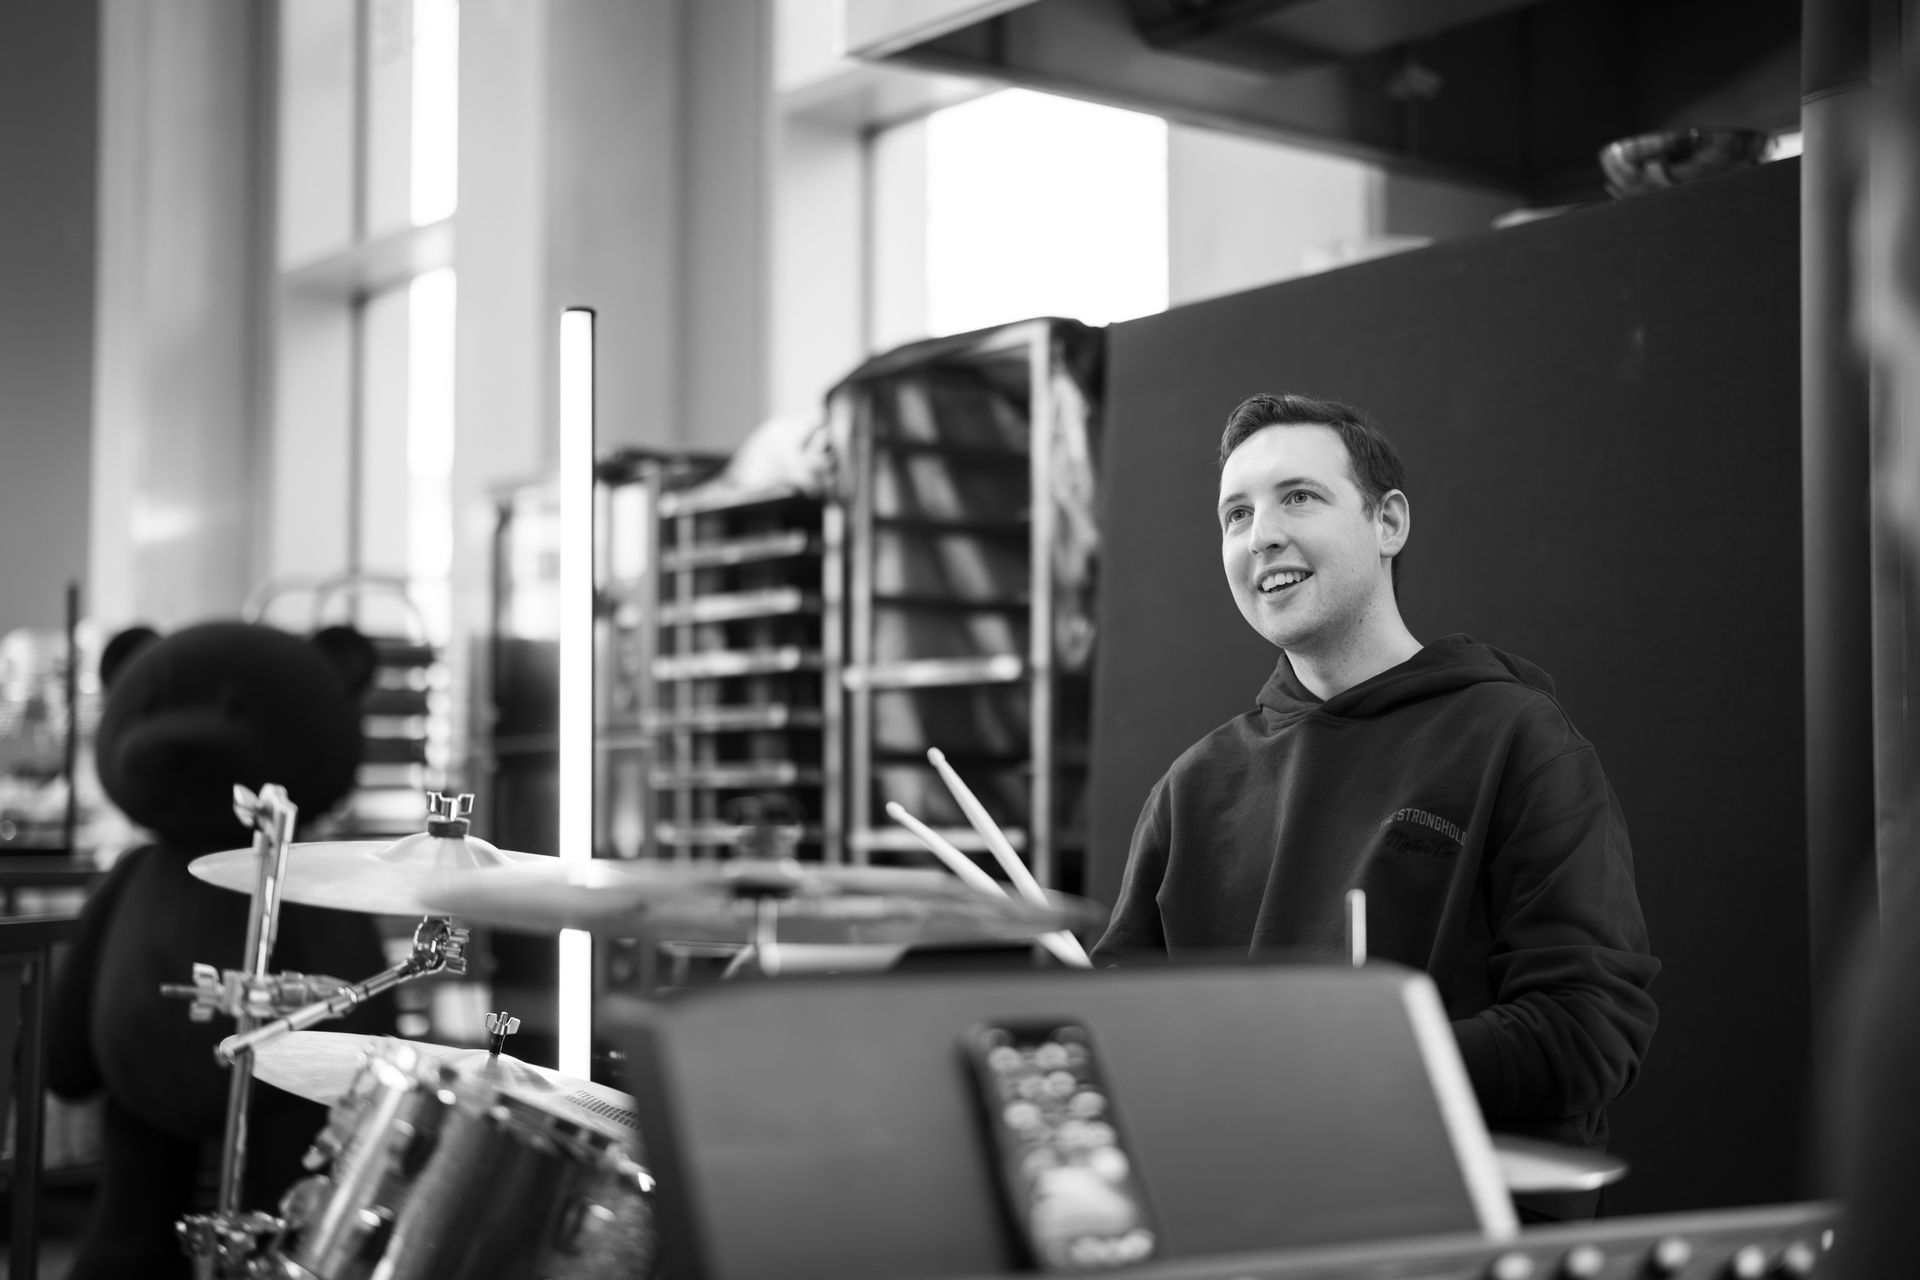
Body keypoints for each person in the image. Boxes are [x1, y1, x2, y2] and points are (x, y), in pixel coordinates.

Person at [1091, 393, 1660, 1219]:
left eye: (1298, 497)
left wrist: (1357, 1061)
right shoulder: (1192, 787)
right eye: (1235, 514)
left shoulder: (1516, 739)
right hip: (1243, 1233)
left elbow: (1589, 1030)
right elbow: (1117, 1029)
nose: (1261, 535)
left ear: (1388, 522)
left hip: (1449, 1237)